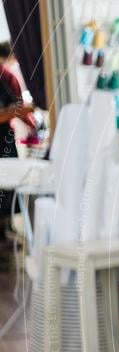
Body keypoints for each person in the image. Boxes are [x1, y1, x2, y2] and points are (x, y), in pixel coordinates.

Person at [0, 41, 35, 243]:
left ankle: (6, 231)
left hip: (4, 138)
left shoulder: (7, 77)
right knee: (5, 187)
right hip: (3, 140)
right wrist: (27, 117)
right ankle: (4, 234)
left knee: (5, 188)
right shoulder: (7, 76)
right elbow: (19, 107)